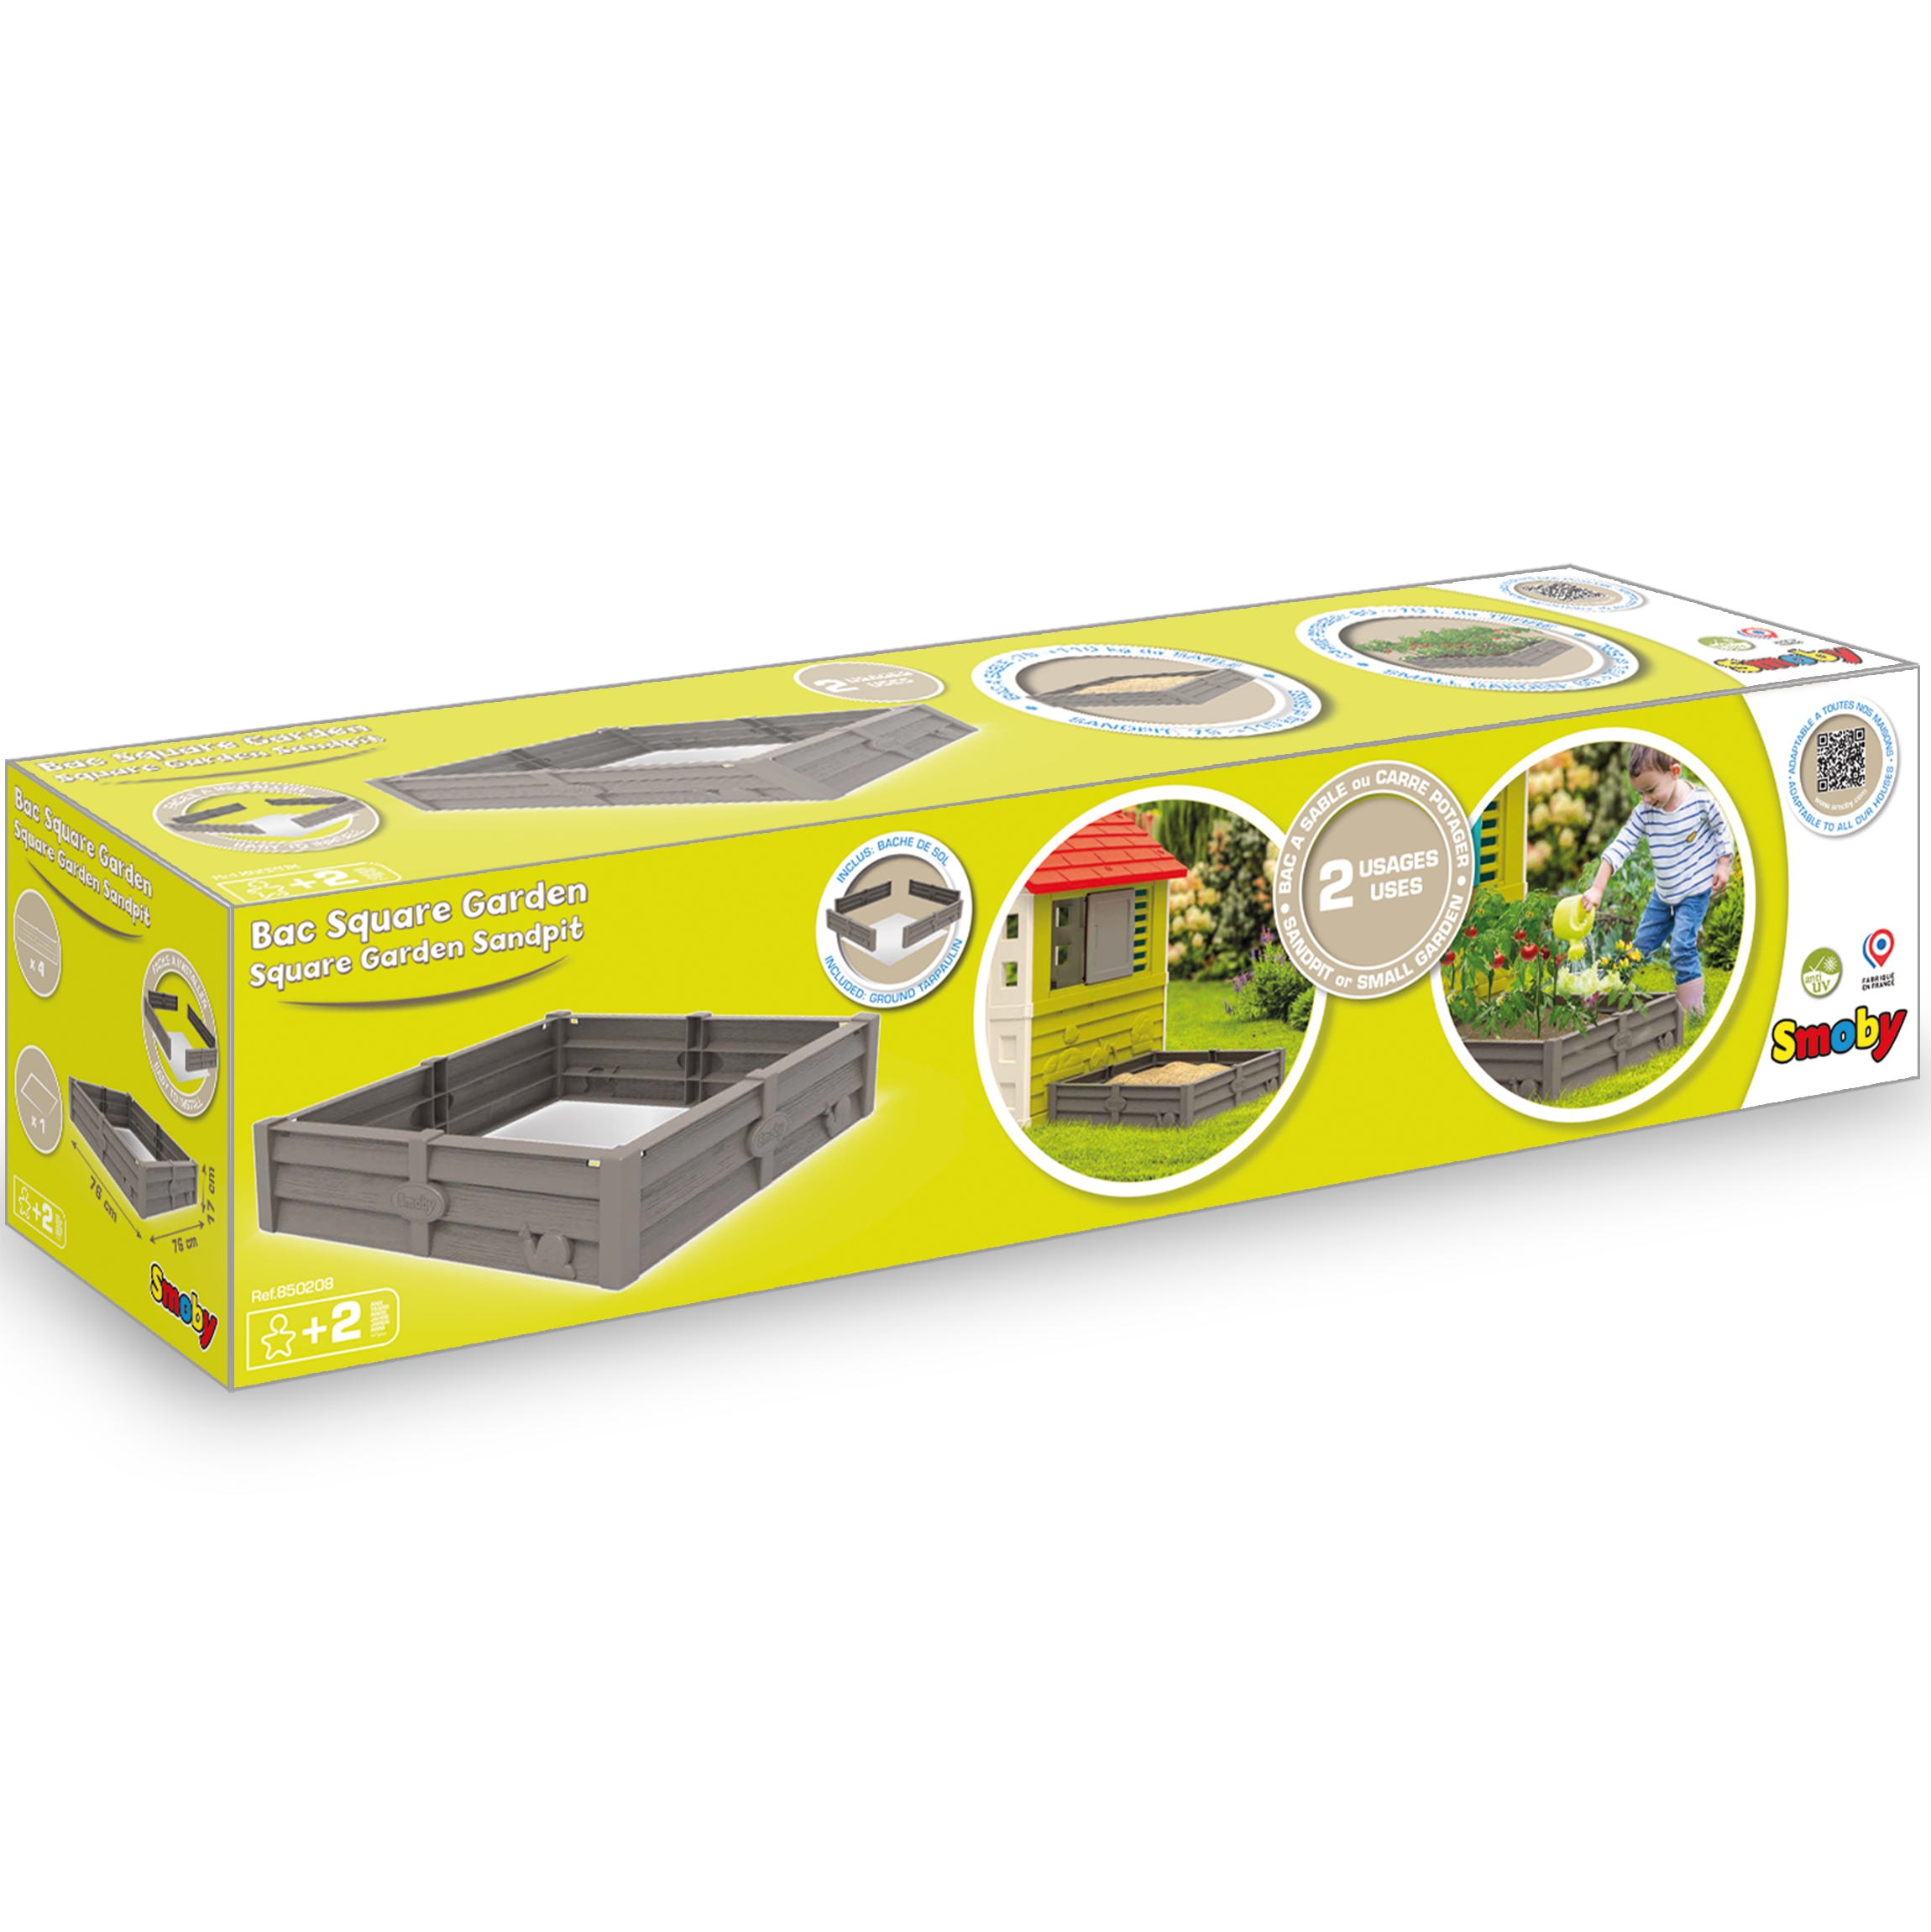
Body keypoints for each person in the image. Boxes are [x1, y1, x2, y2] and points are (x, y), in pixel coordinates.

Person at [1581, 746, 1733, 1018]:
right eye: (1640, 793)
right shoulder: (1645, 812)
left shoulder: (1700, 802)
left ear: (1674, 772)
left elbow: (1722, 829)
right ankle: (1605, 994)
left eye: (1650, 790)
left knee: (1682, 946)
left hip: (1695, 891)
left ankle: (1693, 1014)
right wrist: (1597, 887)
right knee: (1640, 946)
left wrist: (1723, 863)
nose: (1646, 799)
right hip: (1664, 894)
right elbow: (1622, 844)